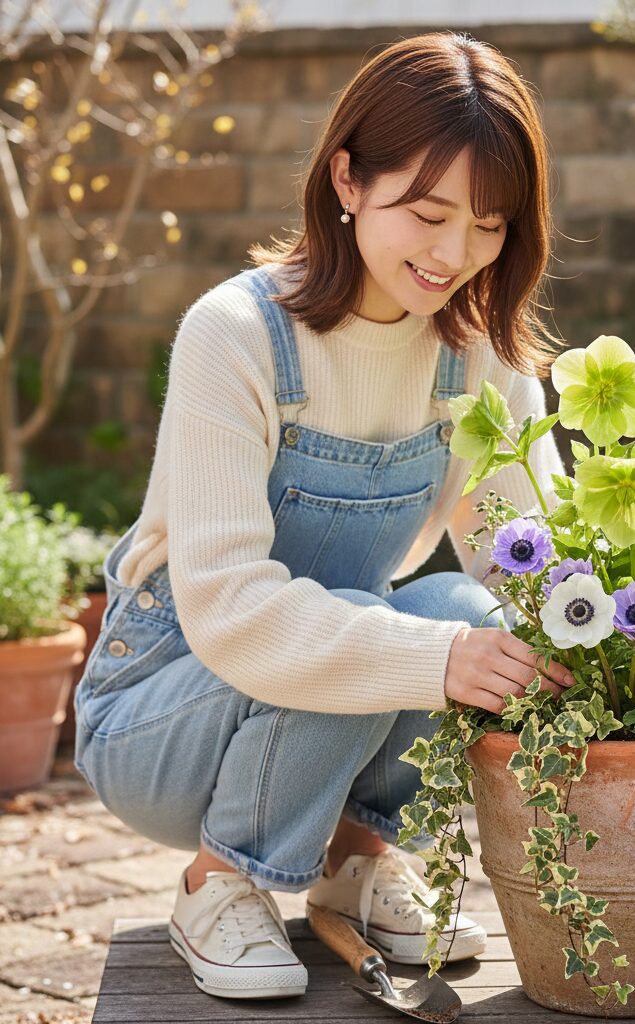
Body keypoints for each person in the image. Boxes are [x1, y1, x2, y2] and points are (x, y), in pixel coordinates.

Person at [73, 31, 575, 1001]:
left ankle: (355, 858)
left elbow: (534, 559)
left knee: (473, 615)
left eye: (487, 225)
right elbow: (227, 608)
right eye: (426, 214)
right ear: (347, 179)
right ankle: (217, 882)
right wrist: (430, 661)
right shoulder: (237, 334)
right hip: (162, 715)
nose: (453, 254)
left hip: (316, 718)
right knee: (377, 616)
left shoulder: (478, 353)